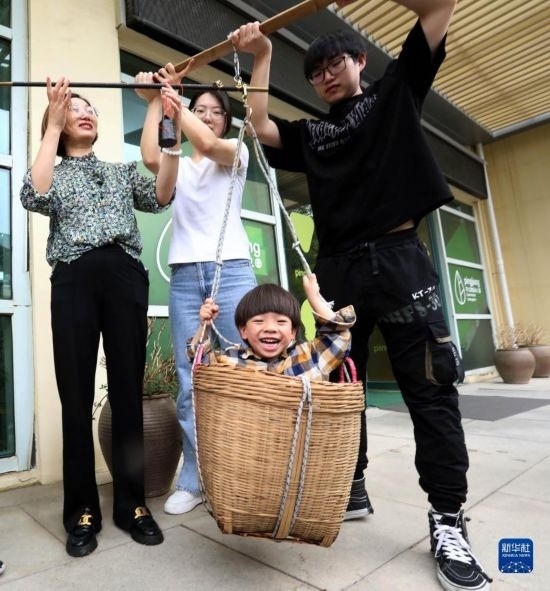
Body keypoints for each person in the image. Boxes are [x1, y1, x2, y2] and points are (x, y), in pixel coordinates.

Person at [231, 1, 492, 589]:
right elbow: (260, 125)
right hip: (337, 272)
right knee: (337, 388)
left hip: (400, 263)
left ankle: (448, 518)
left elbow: (438, 9)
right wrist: (262, 53)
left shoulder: (394, 94)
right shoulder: (313, 133)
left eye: (334, 63)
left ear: (359, 61)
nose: (325, 75)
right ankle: (349, 484)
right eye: (315, 72)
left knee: (431, 390)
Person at [20, 77, 182, 557]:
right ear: (59, 121)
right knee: (74, 395)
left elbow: (161, 195)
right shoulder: (54, 171)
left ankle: (132, 505)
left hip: (125, 276)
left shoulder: (120, 171)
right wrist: (52, 124)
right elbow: (32, 194)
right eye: (74, 108)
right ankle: (81, 512)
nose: (85, 112)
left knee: (128, 392)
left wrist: (169, 129)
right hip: (73, 278)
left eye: (90, 107)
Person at [135, 64, 257, 516]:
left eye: (214, 111)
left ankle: (245, 470)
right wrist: (155, 102)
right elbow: (151, 155)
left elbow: (205, 143)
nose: (205, 116)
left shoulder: (236, 152)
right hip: (186, 276)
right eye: (198, 108)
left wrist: (175, 100)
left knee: (245, 371)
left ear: (226, 120)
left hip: (233, 271)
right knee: (191, 380)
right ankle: (193, 477)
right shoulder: (179, 164)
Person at [190, 273, 355, 382]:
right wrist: (205, 326)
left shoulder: (311, 356)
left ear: (293, 332)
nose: (270, 328)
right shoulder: (231, 360)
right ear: (243, 330)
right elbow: (199, 361)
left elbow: (339, 336)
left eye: (281, 322)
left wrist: (314, 298)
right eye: (259, 321)